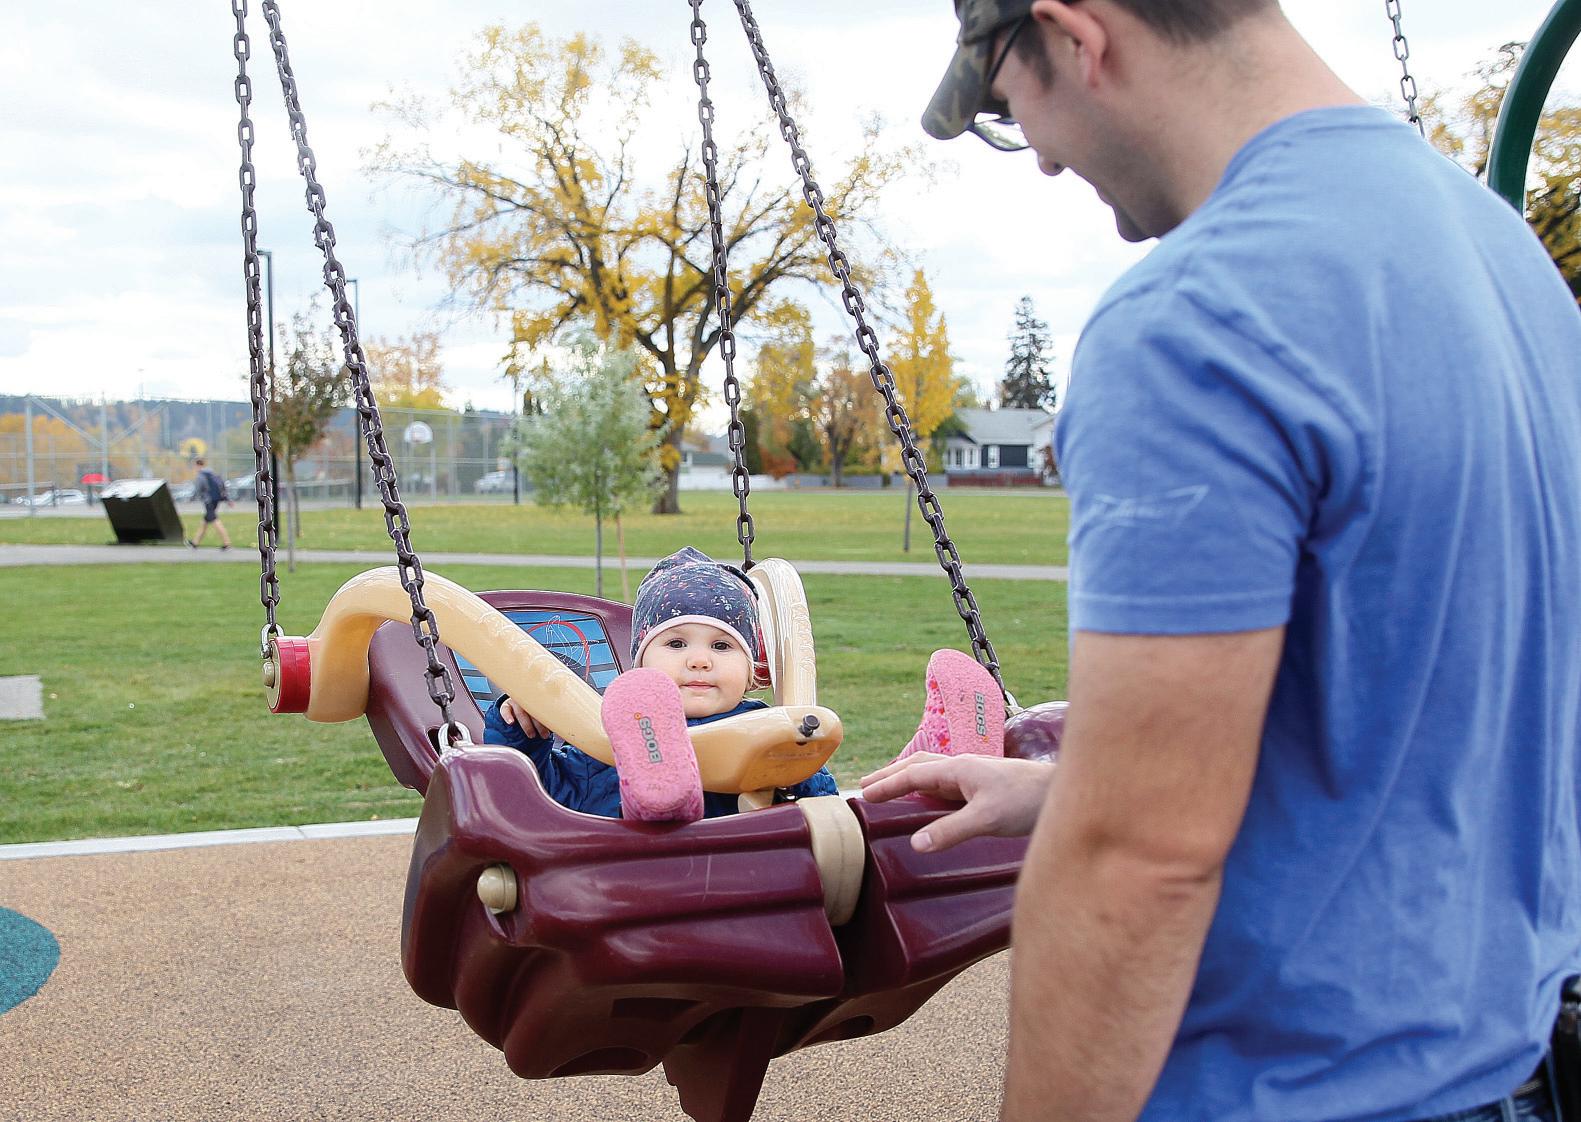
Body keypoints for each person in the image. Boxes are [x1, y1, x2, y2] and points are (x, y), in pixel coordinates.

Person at [862, 2, 1581, 1121]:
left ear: (1077, 34)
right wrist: (1064, 789)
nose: (1040, 157)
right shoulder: (1500, 252)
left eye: (1008, 105)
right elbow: (1434, 711)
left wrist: (1104, 817)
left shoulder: (1200, 317)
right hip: (1504, 1066)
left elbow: (1137, 861)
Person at [485, 547, 841, 821]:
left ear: (750, 672)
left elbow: (825, 808)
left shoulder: (769, 735)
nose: (700, 661)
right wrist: (523, 732)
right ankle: (655, 783)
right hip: (634, 881)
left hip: (740, 876)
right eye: (676, 644)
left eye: (721, 646)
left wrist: (797, 769)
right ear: (639, 665)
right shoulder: (608, 733)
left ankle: (667, 797)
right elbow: (541, 795)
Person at [185, 458, 233, 550]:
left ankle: (227, 543)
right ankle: (195, 542)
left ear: (198, 465)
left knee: (215, 520)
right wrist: (227, 499)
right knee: (205, 521)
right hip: (215, 500)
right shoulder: (212, 473)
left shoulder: (201, 476)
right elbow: (221, 486)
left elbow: (198, 489)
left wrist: (190, 499)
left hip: (208, 501)